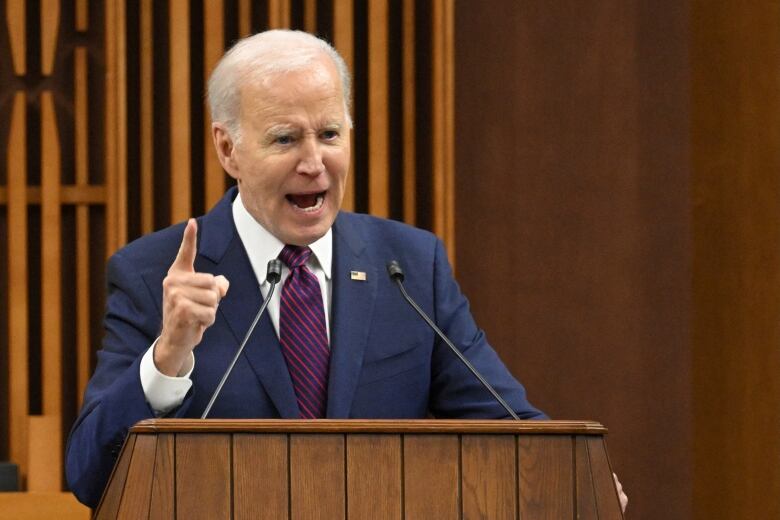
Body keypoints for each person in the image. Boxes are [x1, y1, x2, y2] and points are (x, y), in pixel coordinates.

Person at [65, 29, 548, 508]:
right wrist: (168, 357)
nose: (314, 163)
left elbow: (507, 421)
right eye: (285, 138)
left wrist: (567, 476)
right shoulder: (154, 276)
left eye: (330, 134)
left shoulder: (410, 267)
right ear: (228, 148)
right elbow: (91, 477)